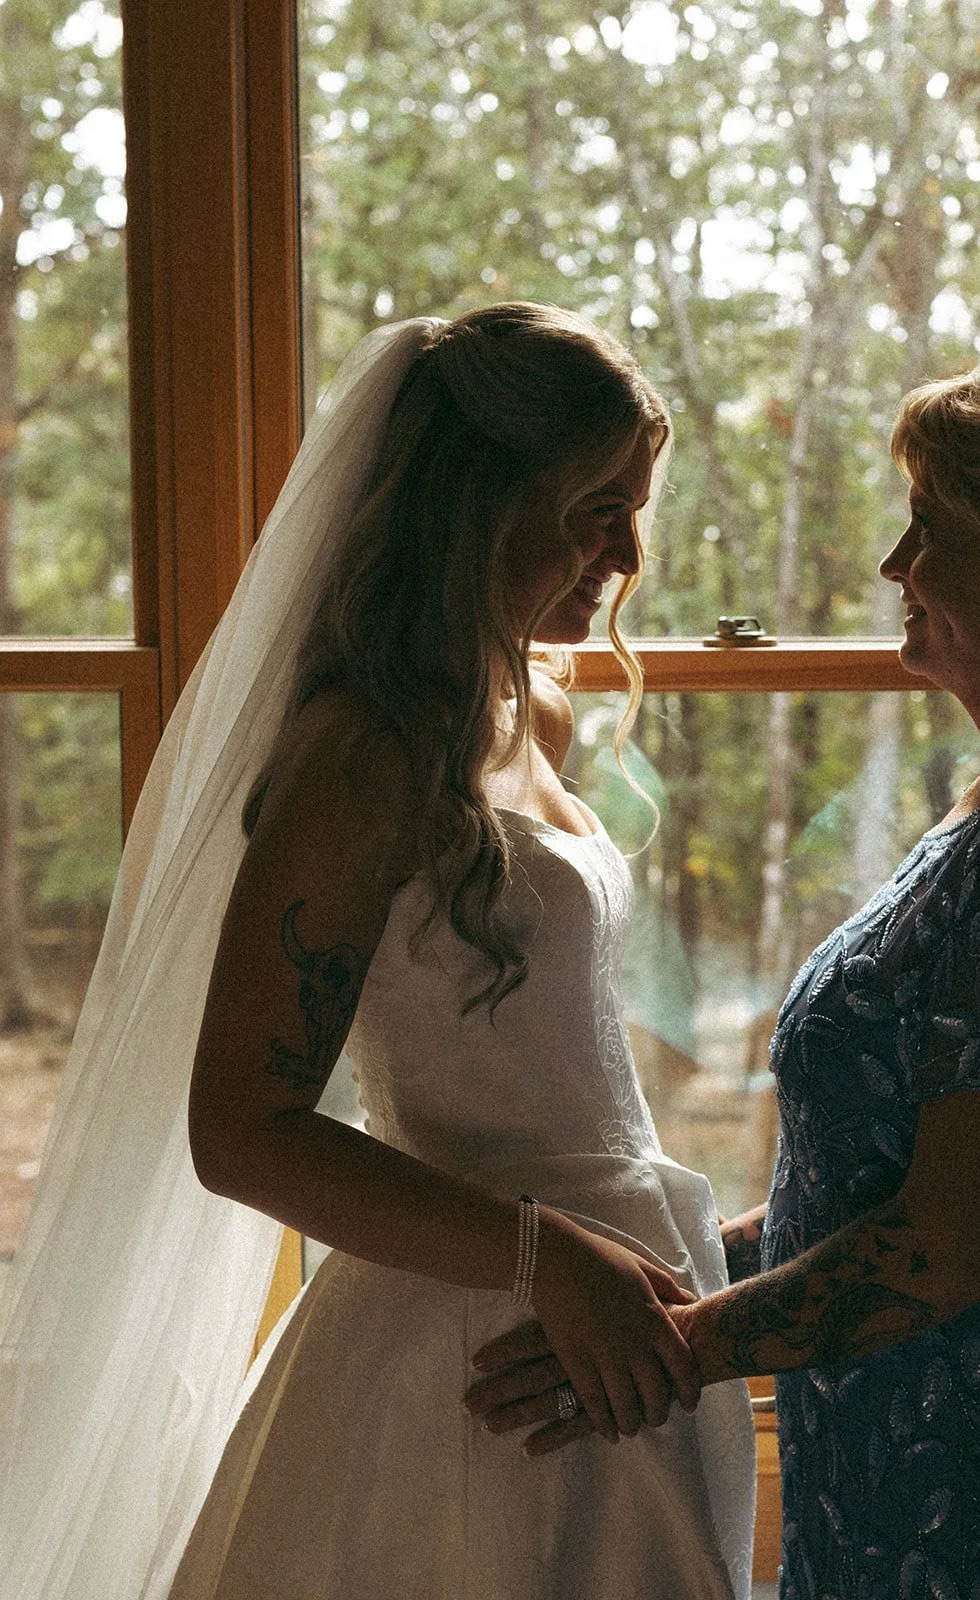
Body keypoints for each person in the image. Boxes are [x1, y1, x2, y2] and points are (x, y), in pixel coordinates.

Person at [0, 305, 754, 1600]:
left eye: (634, 510)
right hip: (470, 1331)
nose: (627, 554)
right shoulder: (364, 756)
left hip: (615, 1301)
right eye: (594, 509)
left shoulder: (534, 714)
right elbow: (242, 1129)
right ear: (477, 500)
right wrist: (546, 1255)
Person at [473, 346, 980, 1600]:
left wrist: (671, 1346)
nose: (894, 564)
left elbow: (952, 1241)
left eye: (932, 530)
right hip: (912, 1462)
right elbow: (871, 1188)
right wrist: (663, 1264)